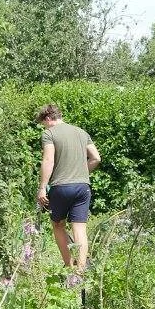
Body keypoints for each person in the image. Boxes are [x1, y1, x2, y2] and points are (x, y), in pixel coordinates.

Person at [36, 104, 101, 273]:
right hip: (83, 187)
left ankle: (69, 267)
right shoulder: (81, 132)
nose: (44, 126)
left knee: (58, 225)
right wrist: (79, 172)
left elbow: (48, 160)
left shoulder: (49, 134)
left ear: (48, 119)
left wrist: (42, 187)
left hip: (61, 187)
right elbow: (96, 158)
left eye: (44, 123)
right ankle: (81, 271)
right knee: (79, 228)